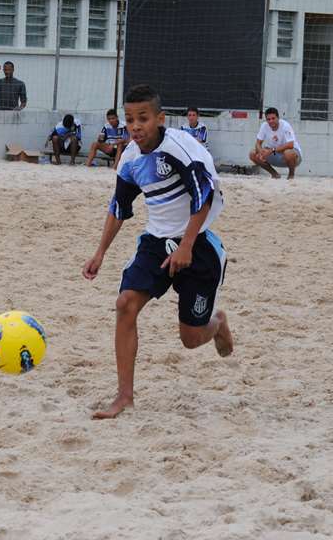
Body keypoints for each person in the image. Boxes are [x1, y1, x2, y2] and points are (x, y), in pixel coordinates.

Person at [82, 85, 234, 420]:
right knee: (125, 304)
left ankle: (218, 323)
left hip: (198, 243)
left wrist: (187, 246)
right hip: (155, 243)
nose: (135, 127)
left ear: (160, 119)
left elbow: (203, 196)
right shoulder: (131, 159)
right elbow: (119, 207)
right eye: (130, 119)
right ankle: (124, 397)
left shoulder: (181, 148)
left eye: (143, 119)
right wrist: (100, 252)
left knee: (191, 339)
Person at [250, 107, 302, 179]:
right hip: (275, 153)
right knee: (252, 154)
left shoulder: (285, 125)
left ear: (278, 118)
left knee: (288, 153)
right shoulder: (264, 126)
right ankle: (275, 174)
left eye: (273, 118)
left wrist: (271, 150)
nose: (271, 121)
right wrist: (261, 152)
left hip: (292, 156)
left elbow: (290, 145)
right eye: (268, 119)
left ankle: (291, 175)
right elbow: (258, 143)